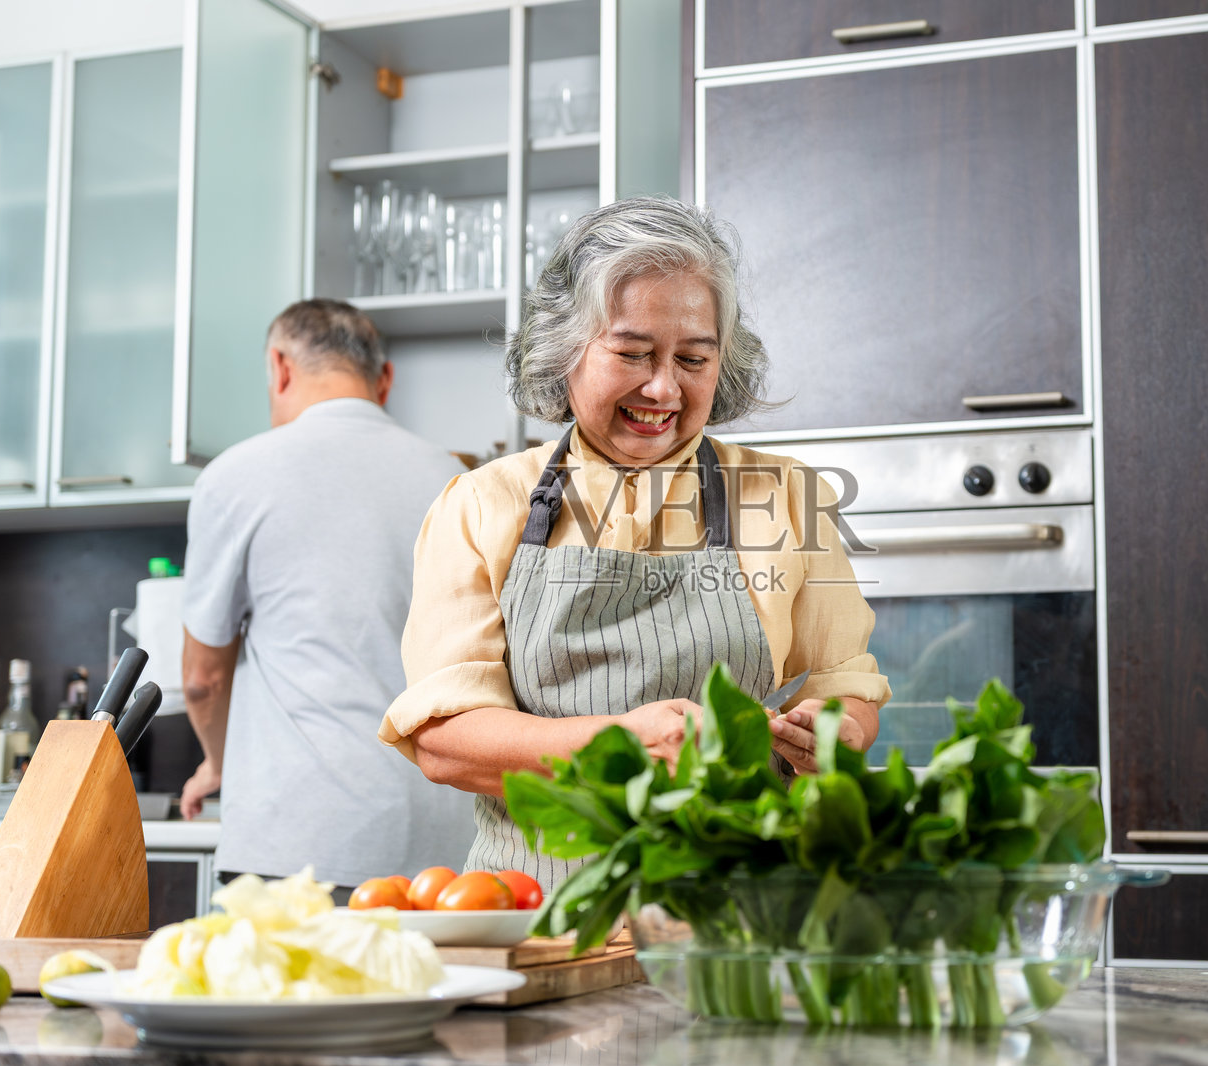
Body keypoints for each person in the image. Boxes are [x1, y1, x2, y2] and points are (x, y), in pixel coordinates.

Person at [380, 198, 890, 888]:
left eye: (694, 358)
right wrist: (620, 741)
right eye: (633, 353)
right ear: (566, 350)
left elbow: (847, 684)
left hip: (738, 916)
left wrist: (832, 732)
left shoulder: (786, 497)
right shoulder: (480, 504)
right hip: (541, 913)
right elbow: (445, 738)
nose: (664, 387)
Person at [180, 298, 473, 895]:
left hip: (298, 846)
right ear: (384, 379)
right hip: (446, 849)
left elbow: (202, 679)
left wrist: (217, 762)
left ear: (280, 367)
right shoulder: (458, 480)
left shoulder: (236, 475)